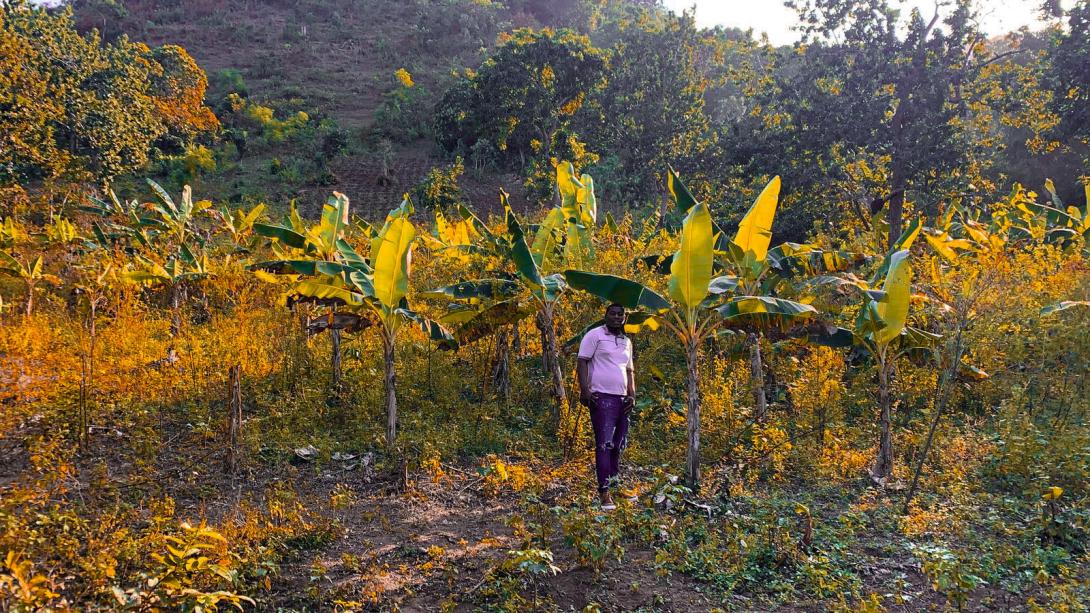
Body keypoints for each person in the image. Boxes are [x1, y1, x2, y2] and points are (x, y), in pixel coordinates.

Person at [576, 303, 636, 510]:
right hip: (602, 397)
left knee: (618, 445)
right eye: (613, 314)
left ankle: (615, 485)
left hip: (622, 399)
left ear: (624, 318)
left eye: (621, 314)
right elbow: (582, 361)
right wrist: (585, 390)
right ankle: (604, 493)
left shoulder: (626, 341)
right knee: (604, 444)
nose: (617, 317)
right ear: (606, 315)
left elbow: (629, 370)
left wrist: (632, 394)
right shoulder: (595, 335)